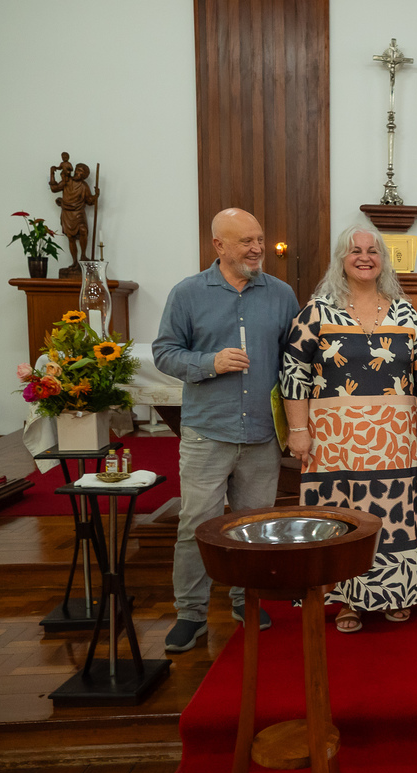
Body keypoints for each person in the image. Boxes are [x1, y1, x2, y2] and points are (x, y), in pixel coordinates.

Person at [153, 208, 300, 652]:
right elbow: (164, 353)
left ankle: (247, 600)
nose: (257, 248)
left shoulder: (281, 294)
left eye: (259, 238)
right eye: (246, 242)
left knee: (254, 526)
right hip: (207, 432)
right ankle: (191, 614)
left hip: (260, 435)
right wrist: (207, 363)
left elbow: (295, 360)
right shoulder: (188, 294)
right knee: (196, 524)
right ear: (219, 246)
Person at [280, 224, 417, 633]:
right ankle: (347, 600)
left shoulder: (405, 312)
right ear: (340, 260)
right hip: (334, 438)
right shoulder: (317, 310)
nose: (364, 256)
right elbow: (293, 371)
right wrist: (298, 429)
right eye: (354, 251)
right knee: (342, 516)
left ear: (383, 260)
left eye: (372, 250)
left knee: (392, 515)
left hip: (393, 438)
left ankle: (393, 592)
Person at [49, 162, 98, 273]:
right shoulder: (67, 181)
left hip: (79, 212)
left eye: (81, 171)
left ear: (84, 175)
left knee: (83, 230)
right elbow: (54, 188)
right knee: (71, 238)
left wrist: (96, 196)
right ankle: (75, 262)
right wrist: (52, 174)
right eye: (77, 169)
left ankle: (83, 256)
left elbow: (89, 201)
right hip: (67, 212)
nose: (77, 172)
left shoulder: (83, 186)